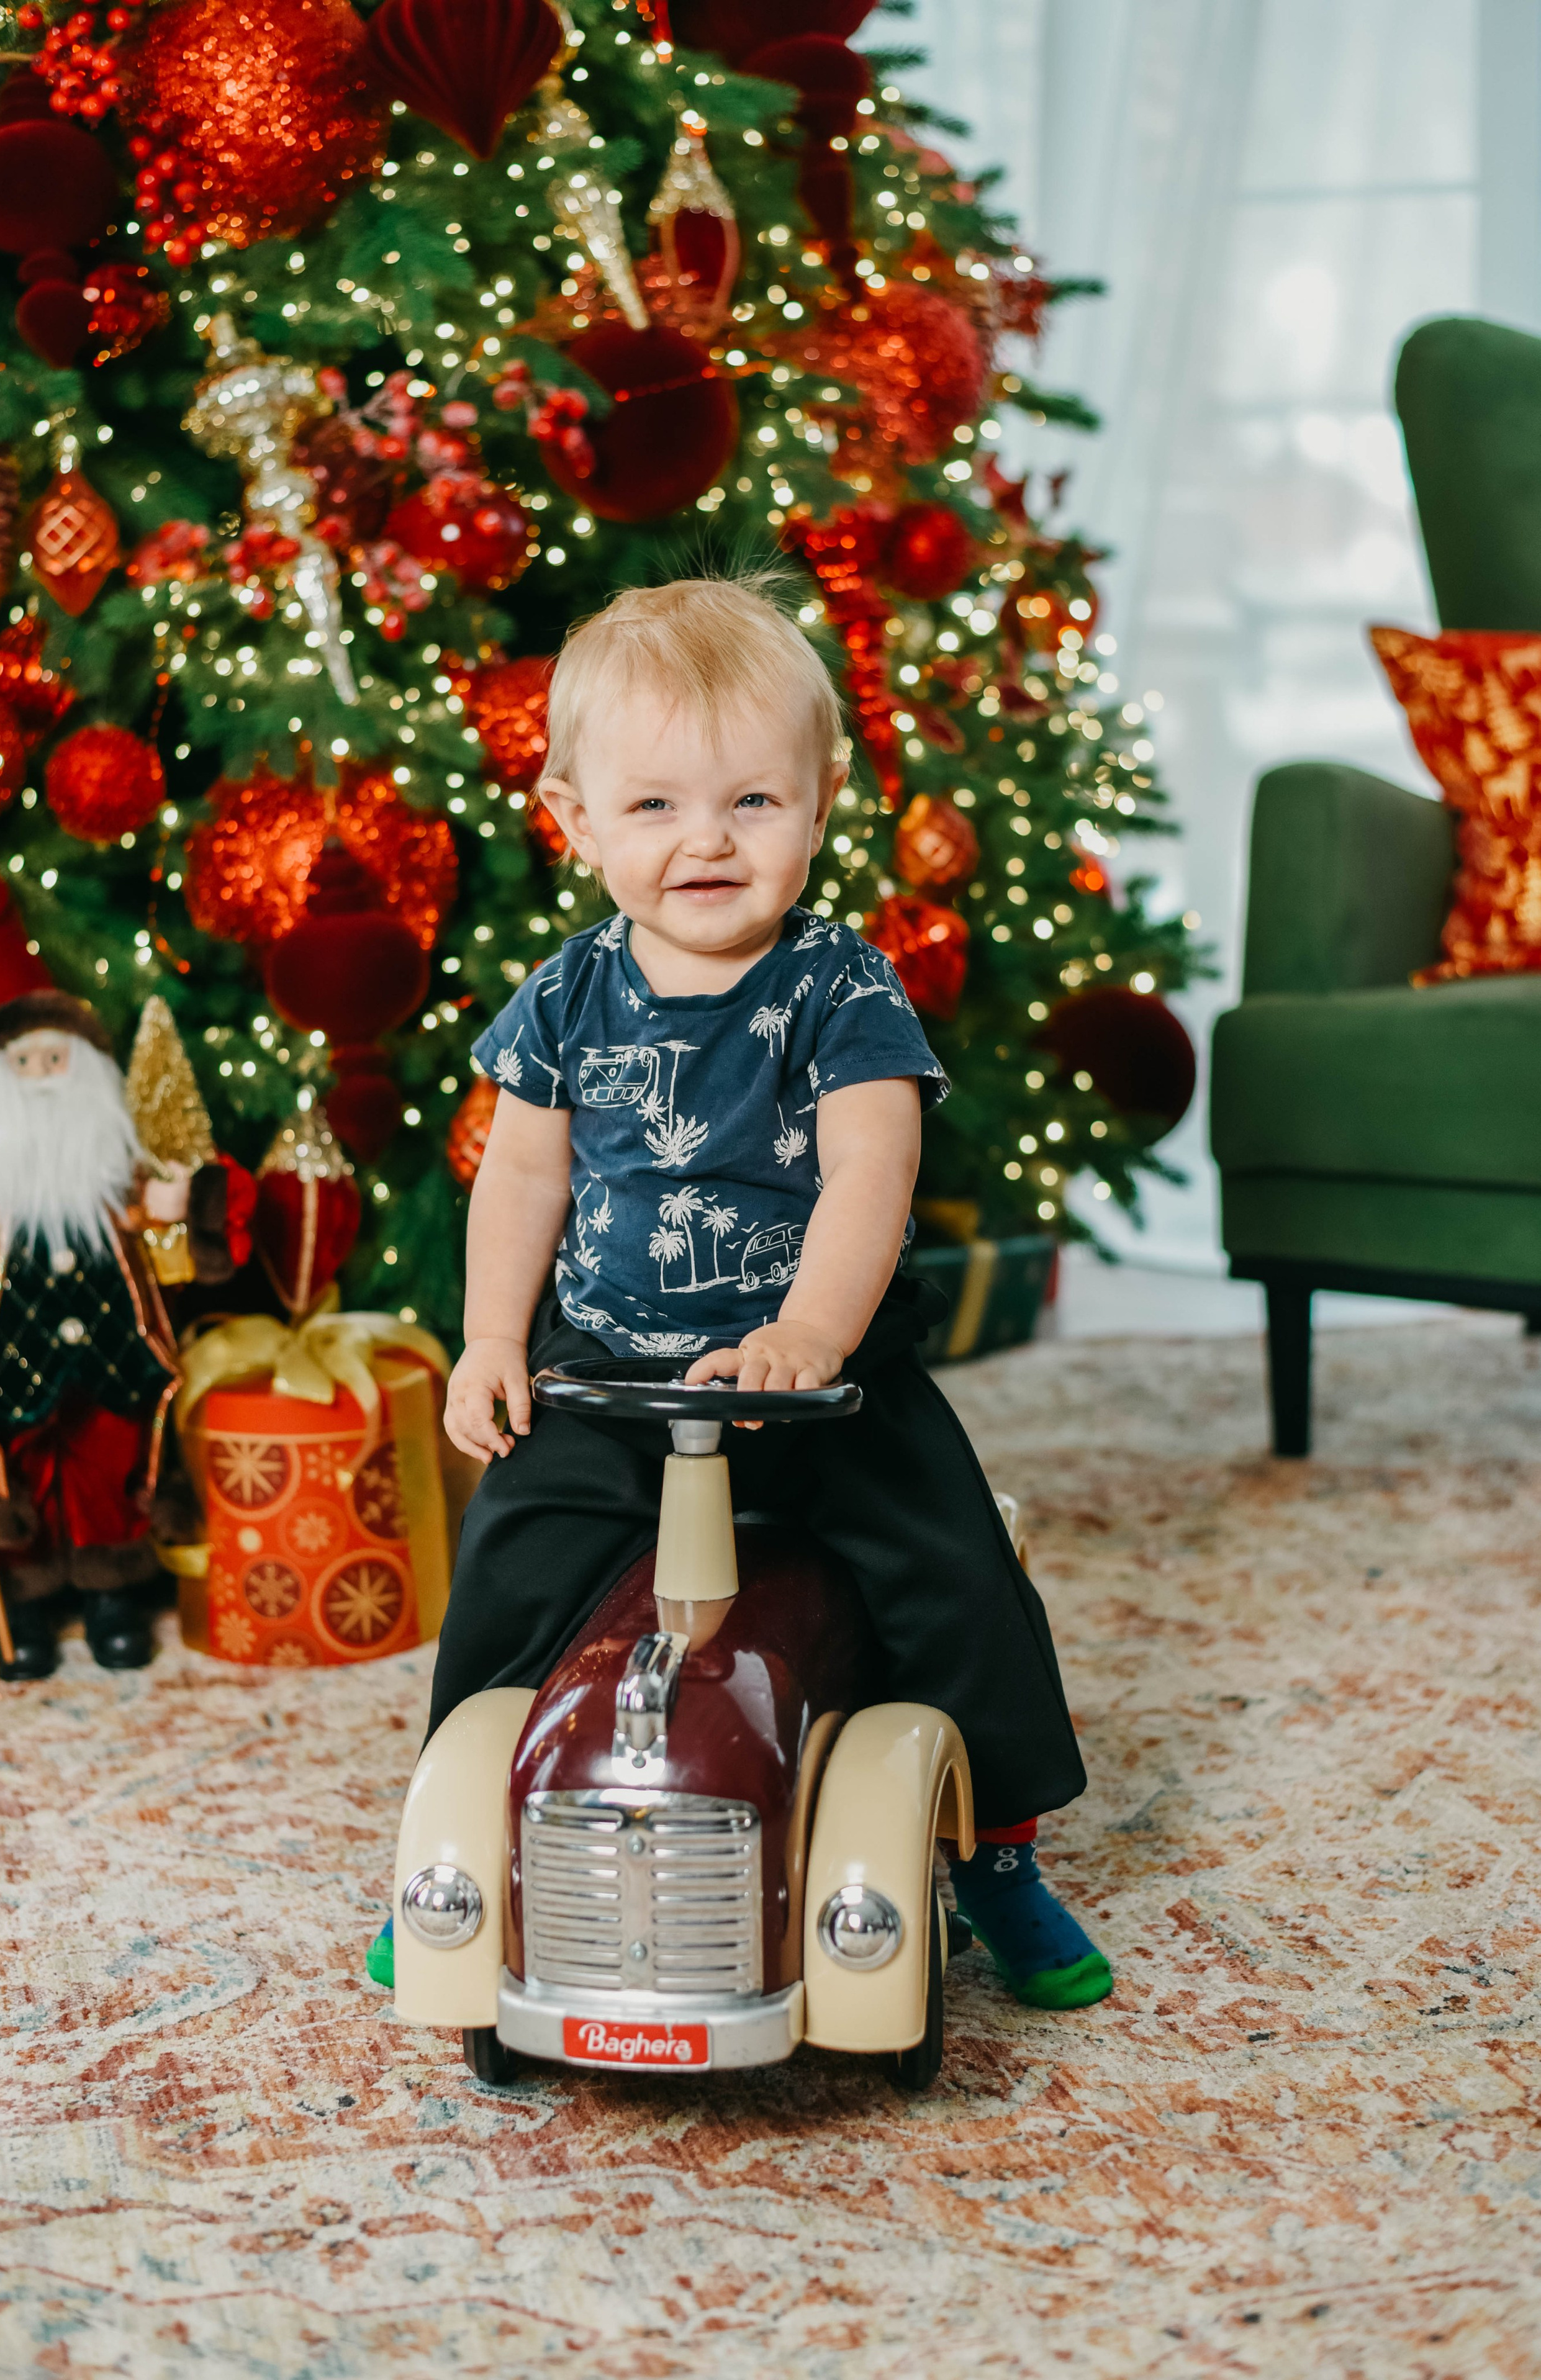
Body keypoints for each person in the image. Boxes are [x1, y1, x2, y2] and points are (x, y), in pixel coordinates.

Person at [373, 575, 1110, 2010]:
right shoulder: (569, 997)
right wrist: (489, 1343)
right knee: (509, 1566)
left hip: (816, 1381)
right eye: (651, 807)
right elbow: (520, 1180)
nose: (703, 841)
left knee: (951, 1574)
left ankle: (1000, 1850)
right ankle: (457, 1841)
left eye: (750, 803)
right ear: (573, 818)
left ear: (821, 802)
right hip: (614, 1371)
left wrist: (805, 1337)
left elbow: (865, 1176)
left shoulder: (839, 990)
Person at [0, 847, 232, 1679]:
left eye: (56, 1059)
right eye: (24, 1063)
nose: (41, 1078)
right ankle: (27, 1605)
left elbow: (167, 1222)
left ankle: (113, 1593)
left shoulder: (114, 1166)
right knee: (22, 1480)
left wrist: (182, 1209)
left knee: (112, 1462)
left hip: (113, 1355)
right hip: (6, 1367)